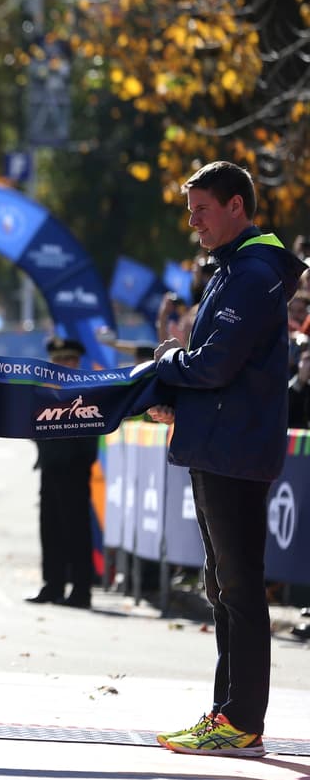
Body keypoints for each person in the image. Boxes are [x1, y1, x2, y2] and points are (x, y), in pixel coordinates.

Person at [146, 161, 305, 758]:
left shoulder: (252, 272)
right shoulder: (237, 268)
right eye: (190, 212)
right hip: (223, 444)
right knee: (224, 586)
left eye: (203, 210)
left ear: (237, 206)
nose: (195, 223)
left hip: (234, 452)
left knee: (237, 588)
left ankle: (241, 720)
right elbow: (216, 372)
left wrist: (165, 366)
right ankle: (227, 715)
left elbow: (213, 364)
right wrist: (178, 398)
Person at [25, 336, 99, 609]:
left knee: (76, 529)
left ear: (76, 362)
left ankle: (81, 589)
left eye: (67, 360)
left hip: (74, 467)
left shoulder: (85, 388)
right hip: (50, 465)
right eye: (58, 360)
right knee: (50, 526)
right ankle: (53, 584)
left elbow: (91, 429)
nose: (63, 364)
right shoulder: (45, 390)